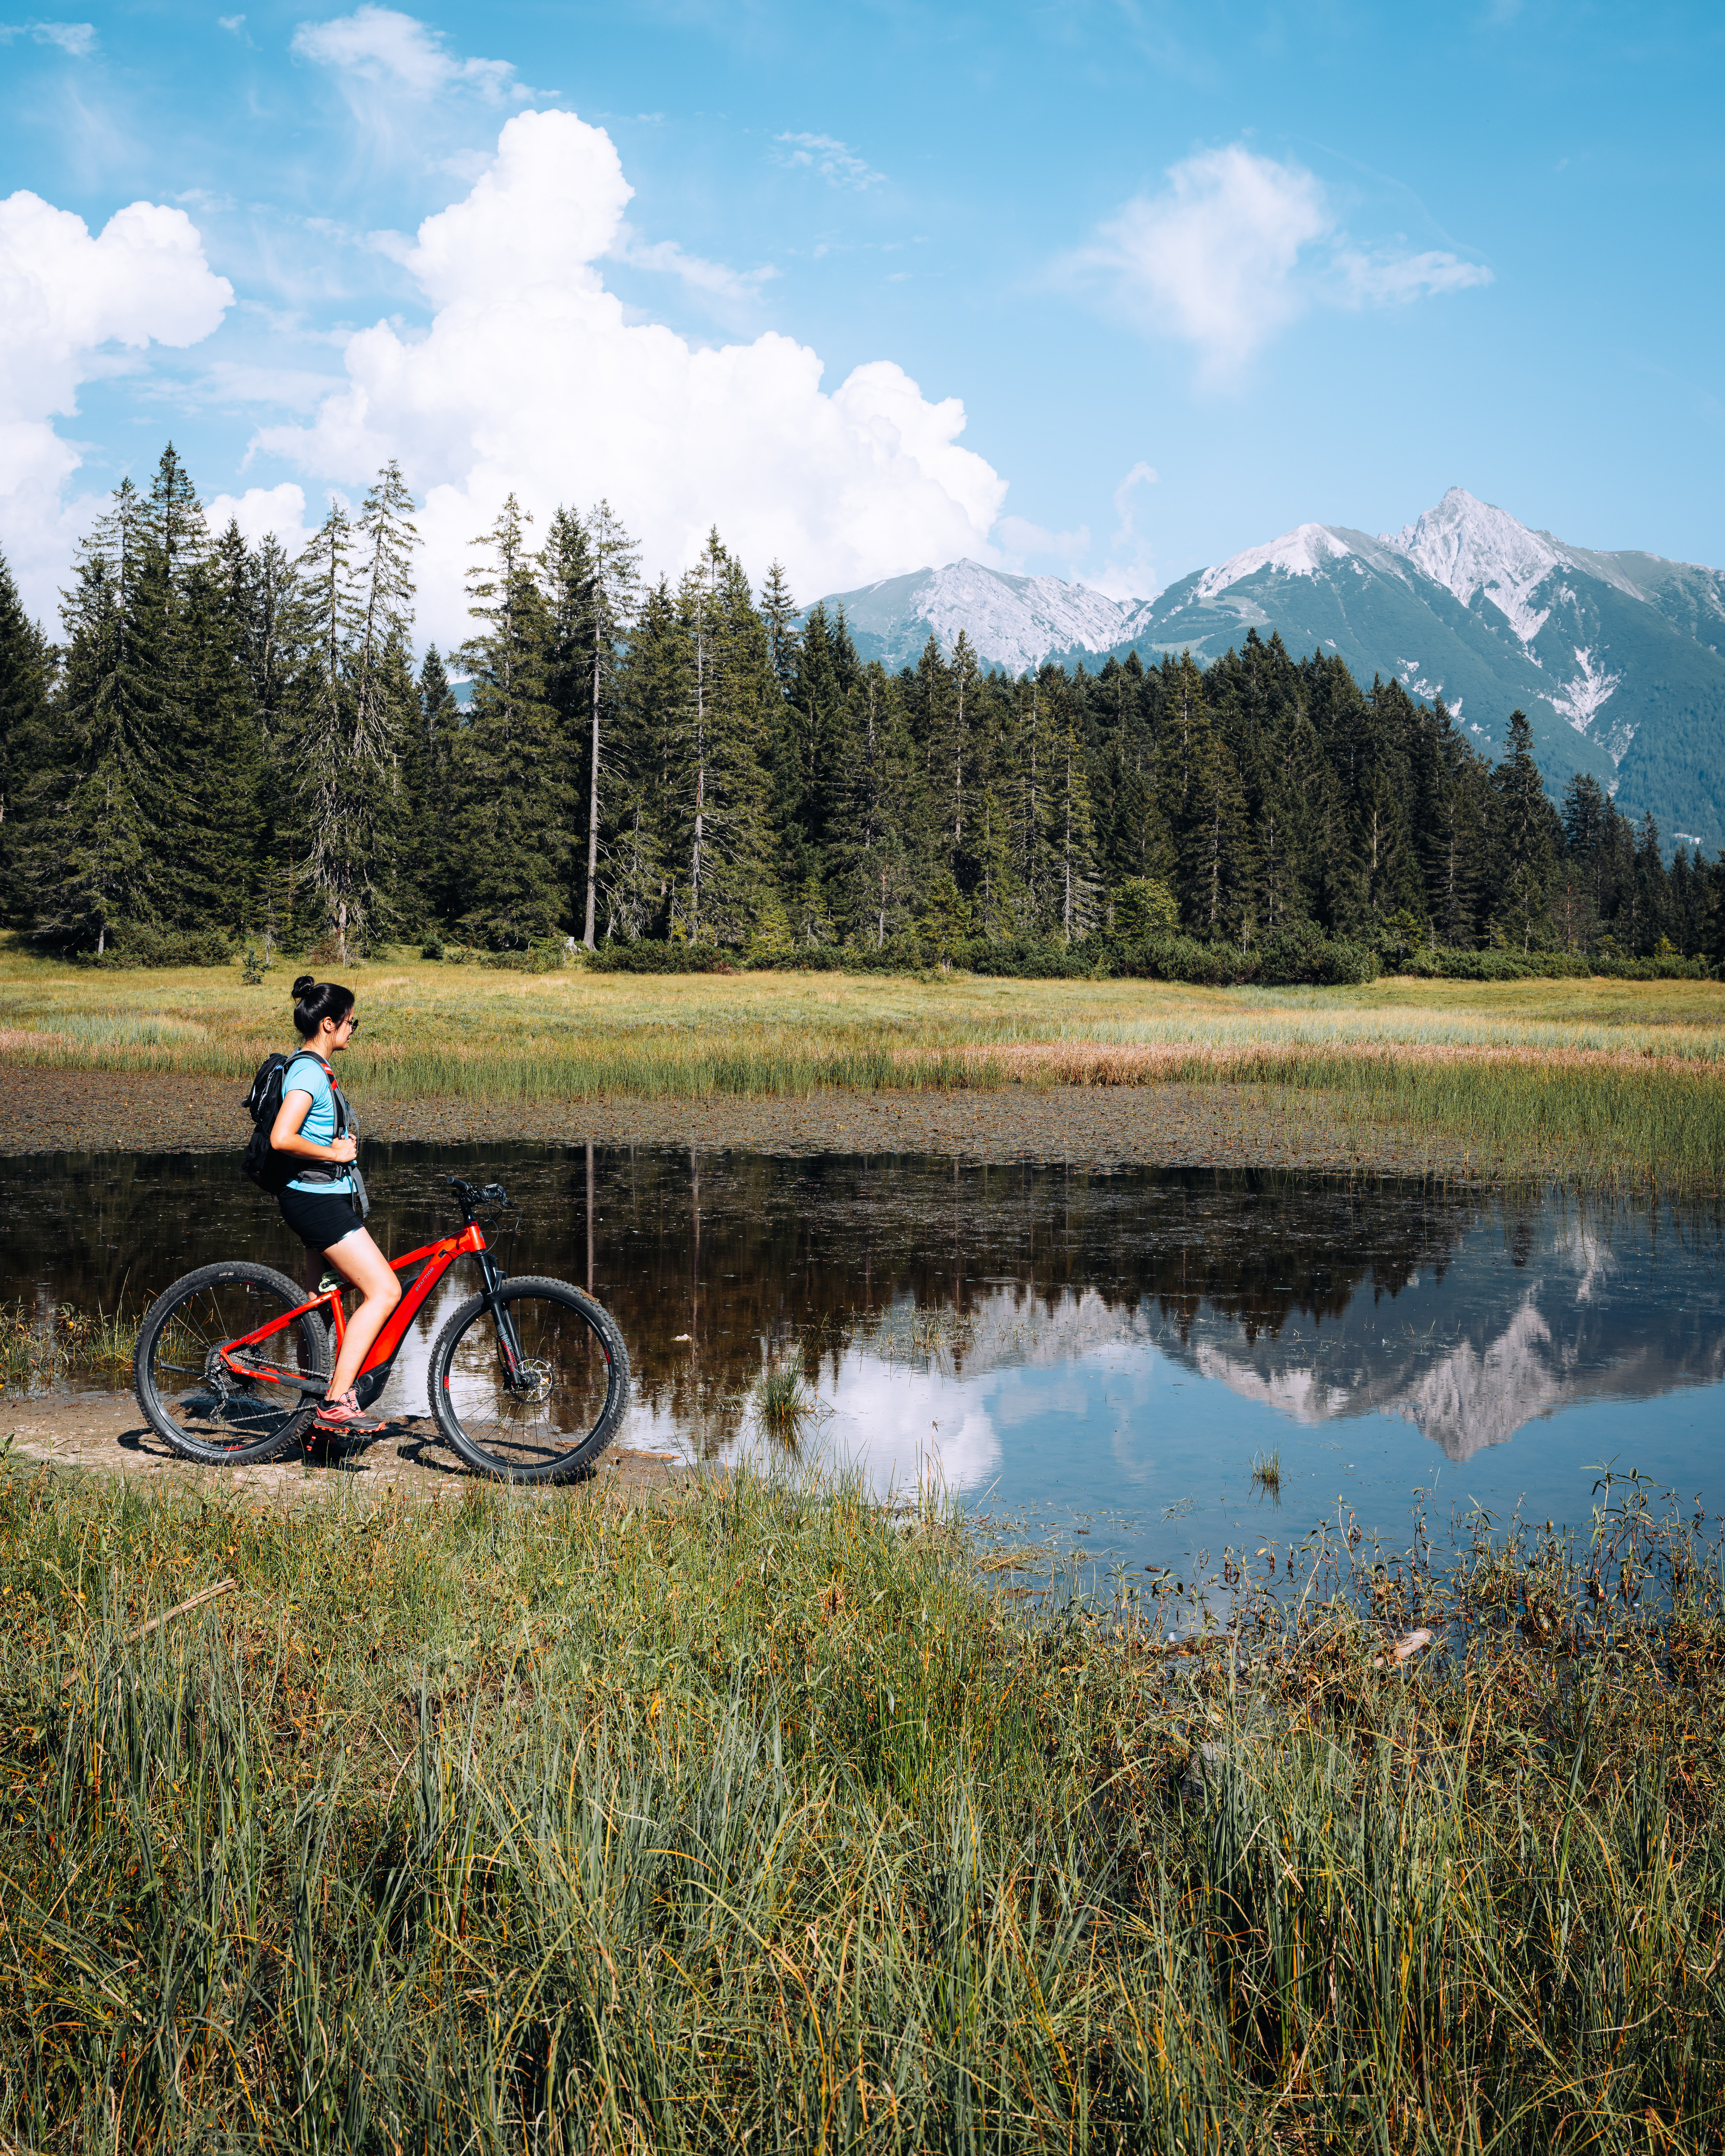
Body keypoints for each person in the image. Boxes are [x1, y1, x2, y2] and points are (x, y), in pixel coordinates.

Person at [270, 975, 401, 1435]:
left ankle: (309, 1412)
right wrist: (336, 1153)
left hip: (316, 1198)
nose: (352, 1028)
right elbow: (282, 1137)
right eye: (350, 1021)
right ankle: (335, 1402)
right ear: (328, 1023)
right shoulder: (307, 1072)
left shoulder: (316, 1068)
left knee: (319, 1306)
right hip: (316, 1203)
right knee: (385, 1292)